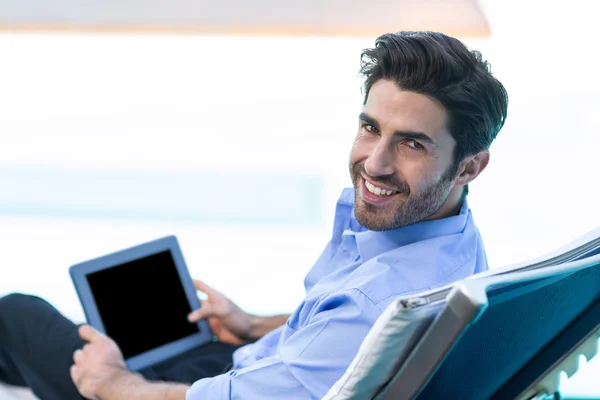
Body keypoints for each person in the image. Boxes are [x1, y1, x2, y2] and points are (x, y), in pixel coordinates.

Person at [0, 30, 508, 400]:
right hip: (247, 362)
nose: (374, 164)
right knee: (105, 337)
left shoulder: (372, 299)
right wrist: (251, 326)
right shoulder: (450, 232)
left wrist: (114, 385)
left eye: (412, 143)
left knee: (20, 315)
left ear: (470, 165)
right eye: (370, 128)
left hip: (209, 388)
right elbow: (352, 341)